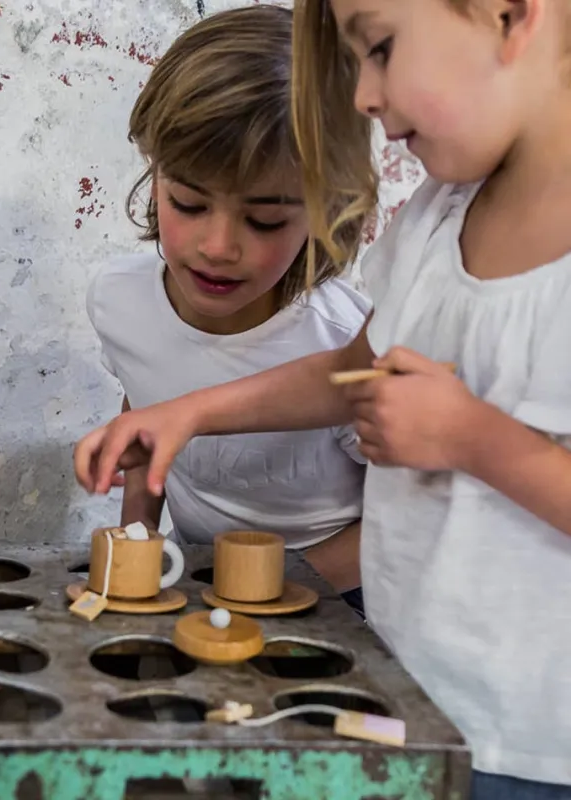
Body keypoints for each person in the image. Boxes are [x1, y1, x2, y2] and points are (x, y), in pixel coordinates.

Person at [75, 0, 571, 796]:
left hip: (529, 741)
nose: (364, 98)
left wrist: (474, 439)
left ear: (511, 15)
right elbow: (351, 370)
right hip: (402, 688)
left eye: (379, 48)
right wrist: (189, 412)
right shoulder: (437, 217)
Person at [86, 4, 376, 610]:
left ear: (324, 208)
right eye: (189, 204)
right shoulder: (118, 301)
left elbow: (402, 517)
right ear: (154, 172)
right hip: (199, 578)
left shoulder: (343, 340)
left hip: (338, 594)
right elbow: (146, 408)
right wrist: (137, 539)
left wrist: (267, 589)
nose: (218, 247)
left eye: (265, 219)